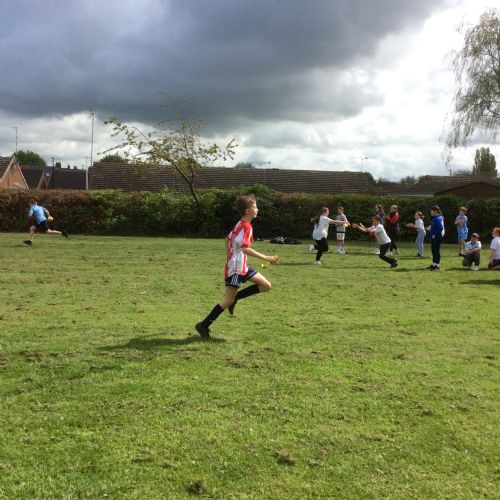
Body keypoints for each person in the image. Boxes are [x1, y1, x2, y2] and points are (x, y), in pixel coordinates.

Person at [195, 195, 277, 338]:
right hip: (235, 269)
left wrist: (230, 256)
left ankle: (236, 298)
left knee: (266, 285)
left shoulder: (240, 223)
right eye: (255, 207)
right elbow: (245, 249)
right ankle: (203, 325)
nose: (257, 209)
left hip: (242, 266)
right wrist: (266, 257)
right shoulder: (246, 226)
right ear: (247, 211)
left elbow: (227, 239)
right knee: (228, 299)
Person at [426, 205, 444, 271]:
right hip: (433, 237)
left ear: (435, 211)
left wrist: (435, 234)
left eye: (431, 211)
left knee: (436, 251)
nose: (430, 212)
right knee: (433, 250)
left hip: (437, 237)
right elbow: (434, 227)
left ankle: (437, 265)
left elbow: (440, 228)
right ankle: (434, 264)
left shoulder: (438, 218)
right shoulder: (434, 218)